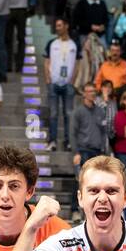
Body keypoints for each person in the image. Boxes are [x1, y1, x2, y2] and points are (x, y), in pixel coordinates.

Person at [45, 17, 77, 151]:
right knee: (53, 114)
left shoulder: (73, 44)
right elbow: (46, 61)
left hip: (68, 84)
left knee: (68, 114)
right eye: (56, 26)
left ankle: (68, 142)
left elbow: (78, 63)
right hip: (53, 82)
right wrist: (48, 78)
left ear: (66, 26)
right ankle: (52, 141)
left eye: (59, 25)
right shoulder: (52, 43)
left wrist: (73, 80)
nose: (57, 28)